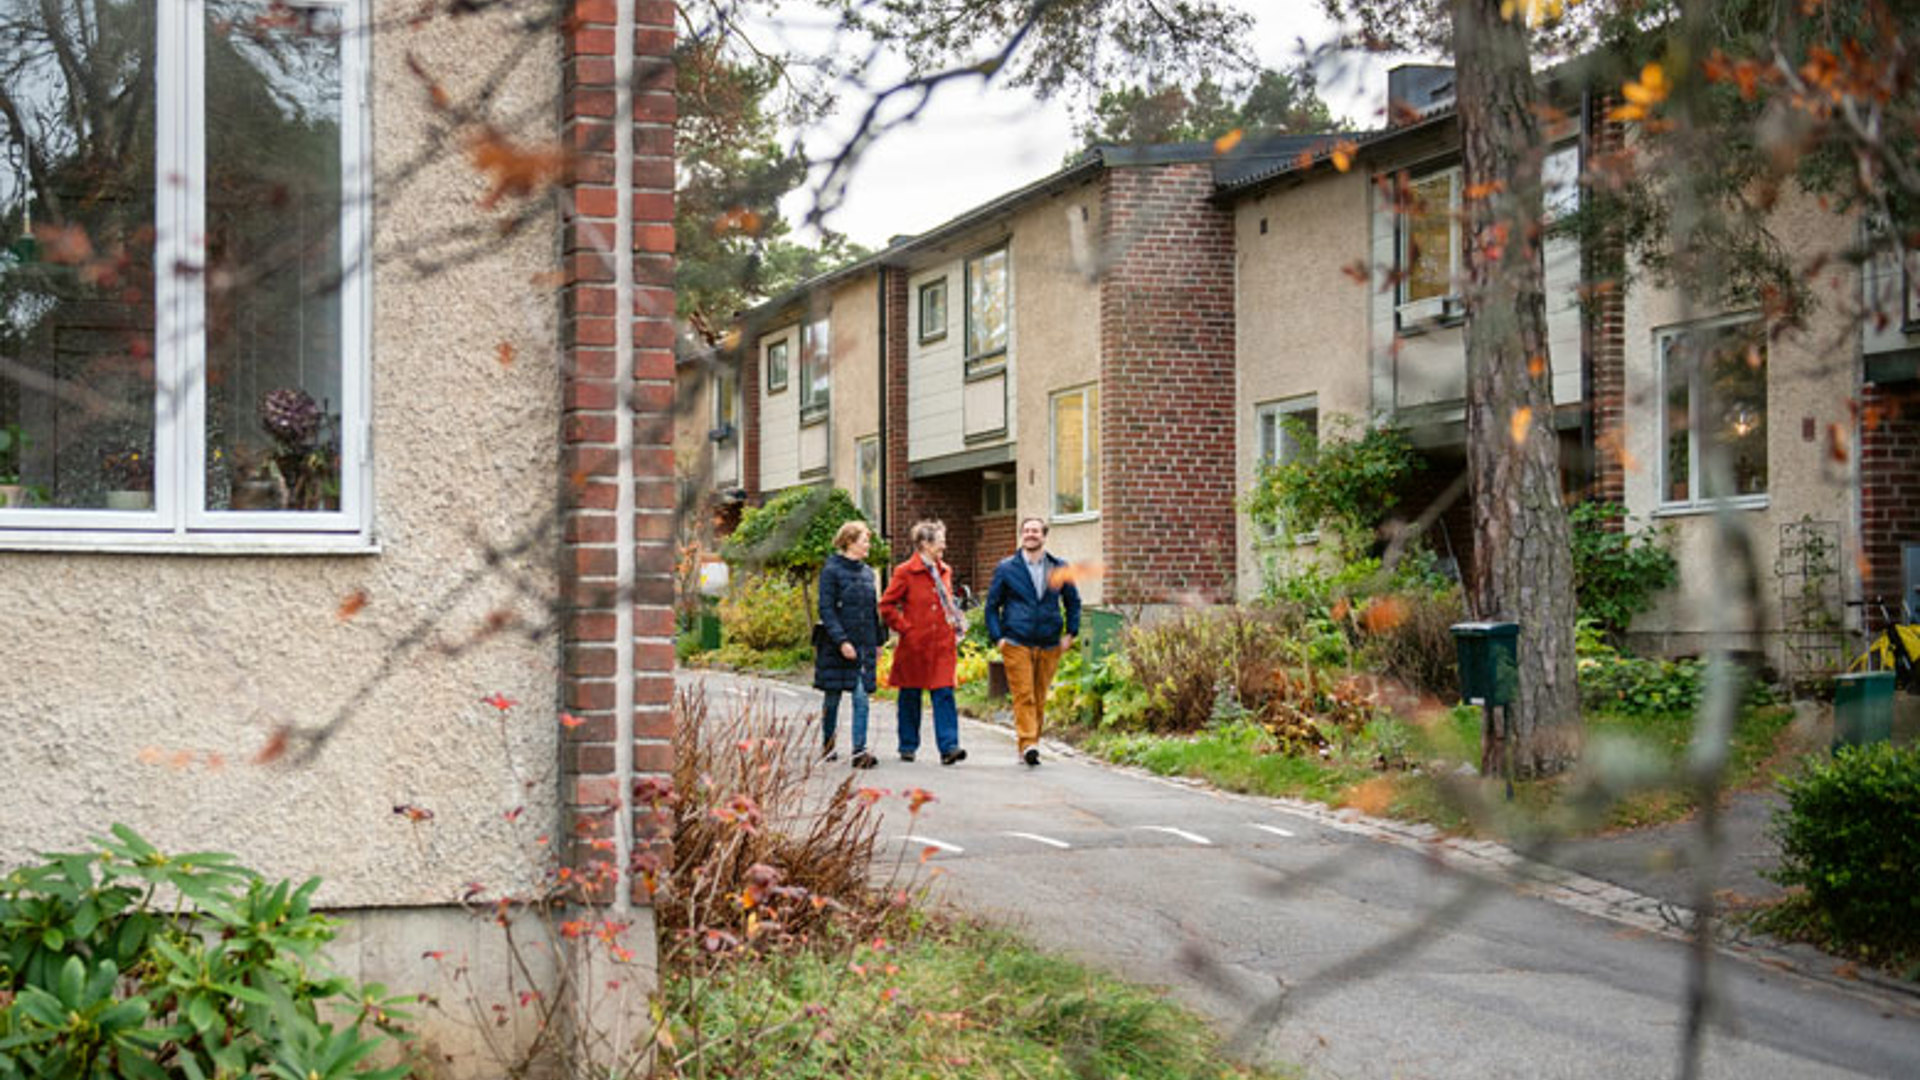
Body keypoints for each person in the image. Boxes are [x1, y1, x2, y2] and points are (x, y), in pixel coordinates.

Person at [984, 516, 1081, 766]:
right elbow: (992, 605)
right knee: (1024, 694)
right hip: (1016, 640)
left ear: (1044, 535)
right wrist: (998, 638)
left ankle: (1030, 744)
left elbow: (1073, 602)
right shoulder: (1007, 568)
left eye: (1035, 531)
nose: (1030, 534)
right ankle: (1028, 743)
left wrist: (1071, 633)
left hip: (1049, 641)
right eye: (1026, 531)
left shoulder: (1060, 567)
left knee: (1039, 695)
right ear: (1021, 535)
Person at [879, 519, 967, 765]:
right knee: (910, 695)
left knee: (944, 693)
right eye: (940, 540)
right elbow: (886, 606)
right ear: (925, 544)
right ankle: (908, 745)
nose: (944, 545)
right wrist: (906, 629)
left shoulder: (944, 570)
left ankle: (949, 747)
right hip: (915, 645)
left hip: (942, 644)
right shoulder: (904, 572)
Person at [814, 521, 883, 768]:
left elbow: (872, 610)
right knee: (832, 698)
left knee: (861, 697)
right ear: (850, 542)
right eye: (865, 540)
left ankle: (859, 751)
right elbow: (826, 609)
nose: (868, 545)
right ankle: (828, 744)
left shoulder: (867, 573)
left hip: (863, 645)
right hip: (836, 646)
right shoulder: (831, 570)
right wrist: (841, 640)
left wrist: (878, 641)